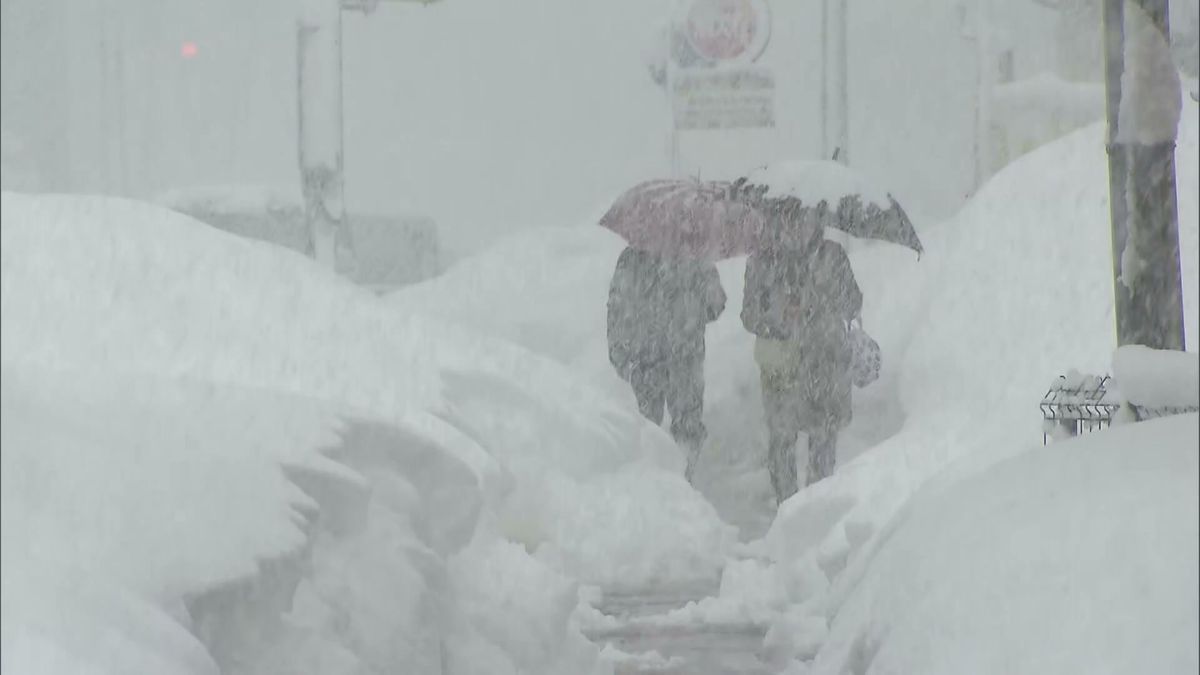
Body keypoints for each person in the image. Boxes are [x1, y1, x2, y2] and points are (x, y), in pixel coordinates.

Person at [741, 207, 862, 504]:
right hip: (781, 368)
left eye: (803, 218)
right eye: (788, 218)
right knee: (782, 441)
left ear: (815, 220)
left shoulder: (832, 256)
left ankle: (816, 508)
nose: (795, 226)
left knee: (823, 440)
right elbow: (749, 315)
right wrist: (781, 318)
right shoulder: (761, 261)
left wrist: (820, 309)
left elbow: (853, 302)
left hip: (825, 363)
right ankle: (787, 507)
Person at [607, 246, 726, 480]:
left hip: (647, 359)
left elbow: (616, 308)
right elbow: (716, 305)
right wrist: (691, 307)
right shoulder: (695, 255)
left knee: (646, 427)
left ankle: (652, 481)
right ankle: (682, 481)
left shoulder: (631, 257)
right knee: (685, 428)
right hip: (682, 357)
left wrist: (619, 352)